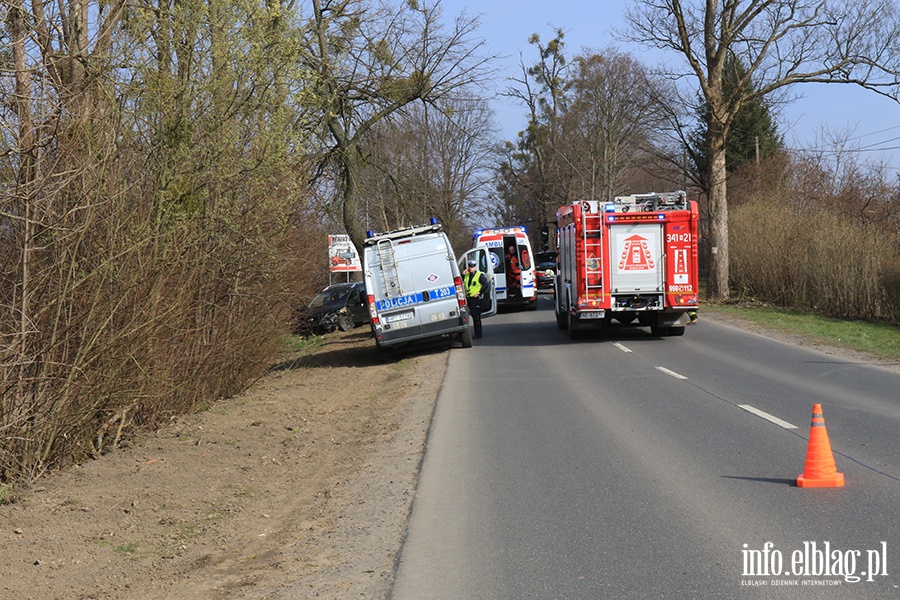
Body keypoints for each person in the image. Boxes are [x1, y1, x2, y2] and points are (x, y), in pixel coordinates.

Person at [464, 259, 489, 339]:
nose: (471, 268)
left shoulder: (479, 275)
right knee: (472, 316)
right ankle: (476, 333)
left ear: (475, 267)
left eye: (472, 266)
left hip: (476, 299)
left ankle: (478, 333)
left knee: (476, 316)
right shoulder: (467, 275)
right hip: (468, 298)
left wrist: (479, 293)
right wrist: (462, 274)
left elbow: (485, 285)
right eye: (470, 266)